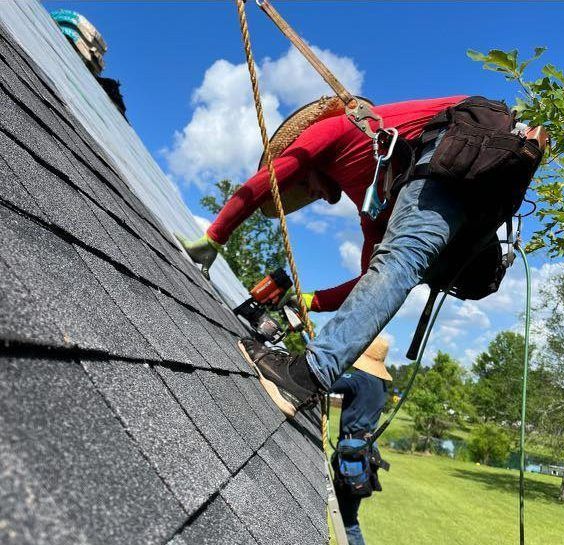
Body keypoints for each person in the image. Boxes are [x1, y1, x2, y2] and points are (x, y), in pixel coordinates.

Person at [178, 95, 543, 417]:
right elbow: (371, 278)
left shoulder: (337, 130)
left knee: (401, 259)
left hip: (464, 141)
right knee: (400, 262)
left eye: (306, 185)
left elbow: (265, 181)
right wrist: (308, 301)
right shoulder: (378, 201)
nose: (315, 195)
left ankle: (307, 375)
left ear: (310, 166)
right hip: (486, 174)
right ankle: (313, 369)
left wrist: (214, 237)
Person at [330, 336, 391, 545]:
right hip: (363, 452)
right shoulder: (380, 385)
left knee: (348, 521)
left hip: (352, 454)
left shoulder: (360, 379)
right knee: (345, 512)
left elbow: (330, 383)